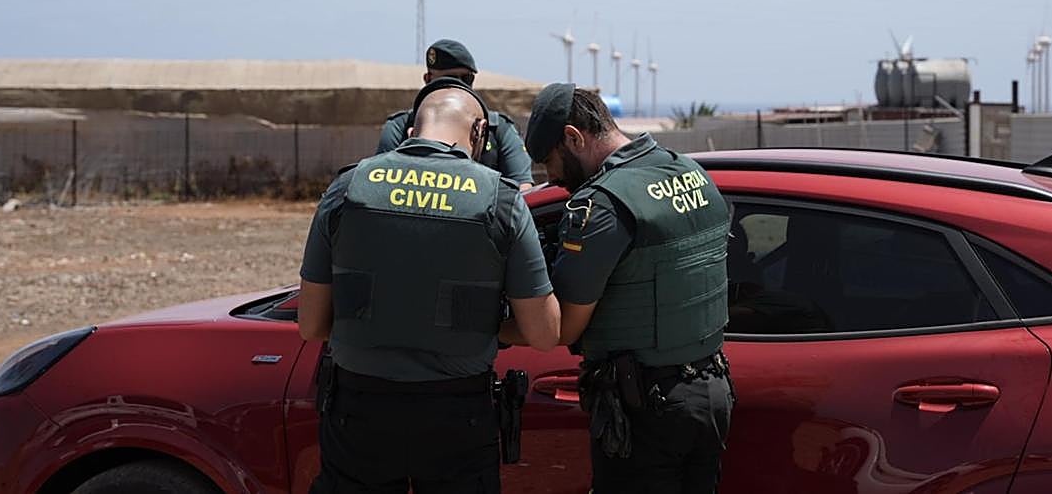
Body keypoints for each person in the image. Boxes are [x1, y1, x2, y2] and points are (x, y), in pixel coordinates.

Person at [299, 77, 560, 494]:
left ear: (410, 130)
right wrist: (479, 323)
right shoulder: (501, 200)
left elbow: (311, 324)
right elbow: (544, 334)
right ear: (478, 132)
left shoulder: (347, 188)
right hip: (456, 418)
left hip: (359, 413)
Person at [515, 83, 735, 494]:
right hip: (712, 391)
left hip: (646, 409)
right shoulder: (688, 172)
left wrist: (497, 327)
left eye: (550, 162)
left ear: (573, 138)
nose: (553, 178)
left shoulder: (602, 205)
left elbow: (563, 328)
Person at [377, 38, 533, 189]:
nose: (459, 85)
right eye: (450, 78)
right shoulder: (401, 126)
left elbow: (522, 188)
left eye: (467, 78)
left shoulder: (497, 128)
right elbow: (381, 183)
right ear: (428, 79)